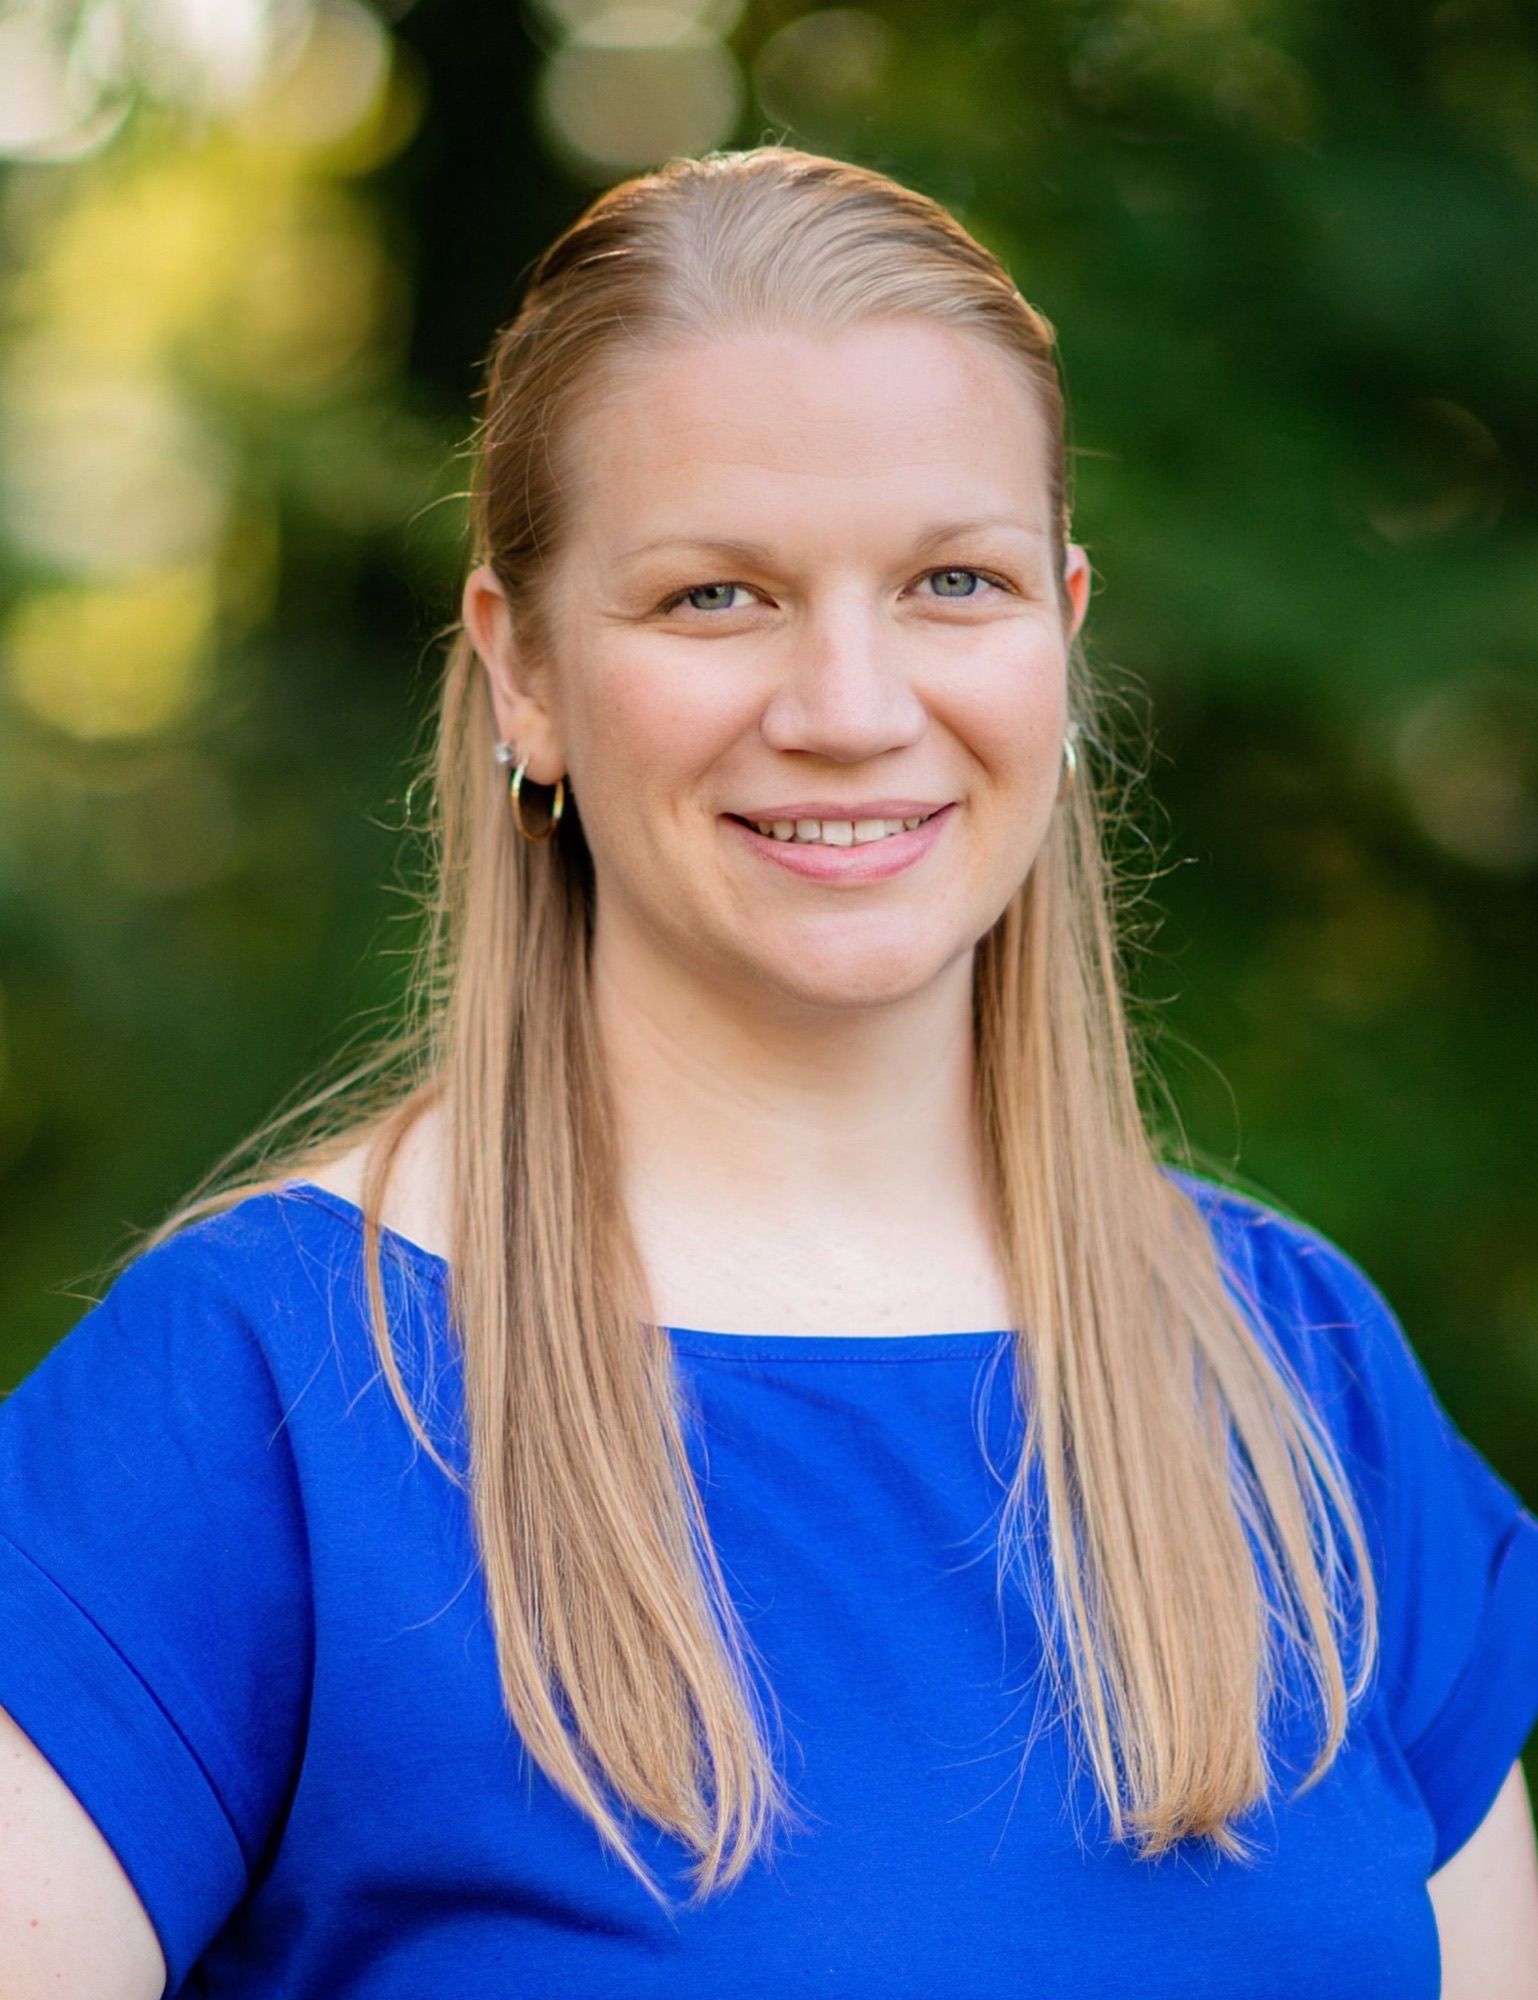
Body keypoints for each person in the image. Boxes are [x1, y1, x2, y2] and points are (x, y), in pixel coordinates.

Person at [1, 147, 1535, 2000]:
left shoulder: (1306, 1383)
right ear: (526, 672)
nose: (848, 706)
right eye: (716, 597)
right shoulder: (253, 1399)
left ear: (1060, 625)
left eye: (950, 584)